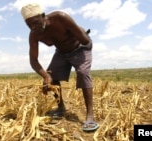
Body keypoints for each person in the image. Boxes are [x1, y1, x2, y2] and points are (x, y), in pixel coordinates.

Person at [21, 3, 99, 131]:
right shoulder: (34, 35)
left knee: (83, 73)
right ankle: (61, 108)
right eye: (29, 25)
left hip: (80, 47)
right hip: (62, 52)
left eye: (36, 23)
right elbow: (33, 59)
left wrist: (78, 35)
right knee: (52, 75)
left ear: (43, 16)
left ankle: (90, 116)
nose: (33, 27)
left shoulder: (60, 18)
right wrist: (46, 76)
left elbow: (85, 40)